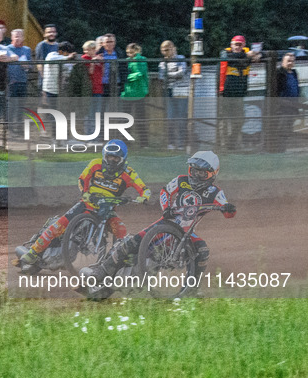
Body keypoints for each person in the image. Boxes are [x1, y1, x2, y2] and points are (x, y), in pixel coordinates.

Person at [80, 151, 236, 284]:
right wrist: (166, 208)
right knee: (132, 242)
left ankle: (192, 288)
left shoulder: (216, 192)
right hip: (166, 222)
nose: (196, 175)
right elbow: (165, 192)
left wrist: (228, 209)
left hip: (187, 232)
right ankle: (101, 271)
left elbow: (228, 212)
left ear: (212, 174)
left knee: (202, 250)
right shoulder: (181, 180)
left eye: (201, 173)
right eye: (194, 171)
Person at [18, 140, 151, 272]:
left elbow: (145, 189)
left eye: (115, 158)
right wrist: (85, 193)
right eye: (109, 156)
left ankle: (114, 264)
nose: (111, 160)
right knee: (59, 224)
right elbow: (82, 179)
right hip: (87, 204)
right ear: (104, 156)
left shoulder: (129, 173)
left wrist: (144, 197)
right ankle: (33, 252)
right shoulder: (95, 164)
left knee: (121, 230)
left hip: (108, 209)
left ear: (123, 159)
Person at [219, 35, 261, 150]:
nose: (237, 47)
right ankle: (223, 146)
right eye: (235, 44)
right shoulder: (225, 53)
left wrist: (258, 55)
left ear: (244, 45)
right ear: (231, 45)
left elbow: (260, 54)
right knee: (223, 121)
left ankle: (231, 144)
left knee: (239, 120)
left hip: (239, 94)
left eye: (240, 44)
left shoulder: (247, 54)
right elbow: (232, 59)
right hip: (225, 94)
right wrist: (247, 56)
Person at [158, 40, 188, 150]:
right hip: (168, 91)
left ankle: (181, 144)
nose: (165, 52)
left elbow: (182, 72)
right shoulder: (162, 63)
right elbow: (161, 77)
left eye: (167, 50)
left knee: (181, 117)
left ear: (172, 48)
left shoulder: (180, 58)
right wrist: (172, 74)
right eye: (163, 50)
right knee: (170, 117)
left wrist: (168, 74)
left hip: (181, 90)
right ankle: (171, 142)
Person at [121, 43, 149, 148]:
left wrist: (127, 77)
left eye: (131, 52)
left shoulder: (141, 60)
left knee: (140, 118)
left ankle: (143, 143)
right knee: (125, 119)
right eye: (128, 52)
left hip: (138, 93)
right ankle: (126, 141)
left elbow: (139, 73)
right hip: (127, 93)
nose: (129, 54)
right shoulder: (127, 61)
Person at [274, 52, 300, 152]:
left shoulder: (294, 73)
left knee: (288, 130)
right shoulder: (279, 73)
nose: (290, 63)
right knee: (282, 130)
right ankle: (279, 150)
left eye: (292, 61)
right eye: (288, 61)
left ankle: (283, 149)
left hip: (293, 107)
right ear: (283, 61)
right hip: (282, 108)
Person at [96, 33, 127, 98]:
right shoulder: (98, 54)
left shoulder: (120, 54)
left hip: (116, 84)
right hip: (102, 84)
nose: (109, 44)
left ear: (114, 43)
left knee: (115, 105)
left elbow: (124, 68)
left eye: (111, 42)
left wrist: (123, 82)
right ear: (103, 43)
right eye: (107, 42)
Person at [7, 29, 32, 98]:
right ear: (12, 37)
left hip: (22, 81)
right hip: (10, 82)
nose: (17, 38)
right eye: (15, 36)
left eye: (19, 36)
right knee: (12, 104)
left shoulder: (27, 49)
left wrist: (26, 66)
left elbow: (30, 65)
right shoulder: (6, 49)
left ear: (23, 38)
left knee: (22, 103)